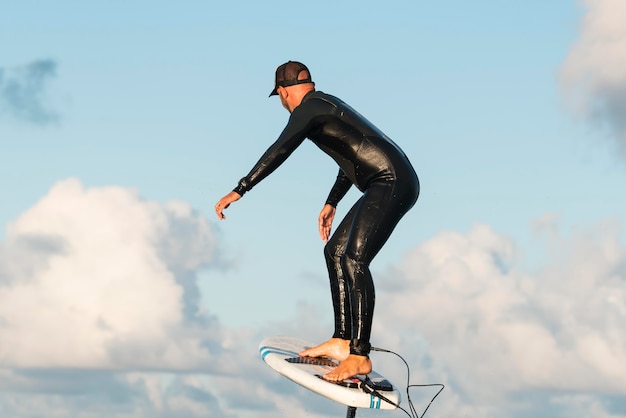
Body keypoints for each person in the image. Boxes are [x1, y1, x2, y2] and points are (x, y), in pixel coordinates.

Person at [215, 61, 419, 382]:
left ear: (282, 93)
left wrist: (241, 189)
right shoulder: (325, 104)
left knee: (354, 259)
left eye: (280, 98)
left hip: (391, 180)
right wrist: (332, 201)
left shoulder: (307, 111)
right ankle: (341, 340)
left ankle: (360, 354)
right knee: (335, 252)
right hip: (386, 179)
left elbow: (280, 148)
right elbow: (352, 154)